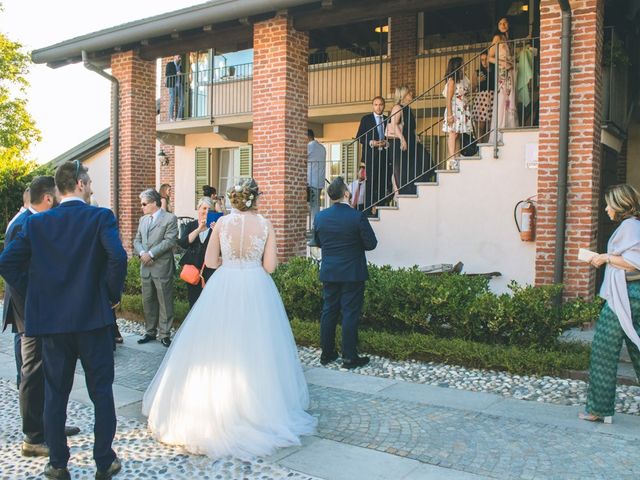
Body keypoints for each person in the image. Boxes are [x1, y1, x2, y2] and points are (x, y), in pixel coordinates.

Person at [142, 178, 317, 457]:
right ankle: (256, 407)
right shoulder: (265, 224)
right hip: (256, 285)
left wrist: (228, 263)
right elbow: (270, 267)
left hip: (224, 284)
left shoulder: (221, 224)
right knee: (256, 344)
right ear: (255, 198)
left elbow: (210, 262)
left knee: (217, 342)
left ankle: (214, 406)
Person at [0, 161, 128, 480]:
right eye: (90, 181)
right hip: (94, 320)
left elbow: (7, 262)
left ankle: (58, 464)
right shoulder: (100, 217)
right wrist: (110, 296)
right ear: (80, 185)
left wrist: (38, 296)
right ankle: (104, 461)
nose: (93, 186)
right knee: (101, 393)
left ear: (58, 189)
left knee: (55, 394)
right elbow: (117, 257)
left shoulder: (39, 223)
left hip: (53, 324)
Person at [1, 176, 81, 459]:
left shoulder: (29, 219)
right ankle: (34, 437)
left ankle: (51, 426)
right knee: (33, 374)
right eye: (59, 195)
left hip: (33, 310)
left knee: (45, 371)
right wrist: (36, 294)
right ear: (49, 198)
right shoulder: (26, 223)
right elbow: (9, 266)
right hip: (30, 313)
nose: (61, 200)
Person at [580, 184, 640, 424]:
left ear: (620, 205)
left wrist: (604, 257)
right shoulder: (633, 226)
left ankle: (599, 409)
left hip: (624, 296)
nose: (606, 208)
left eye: (609, 204)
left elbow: (635, 261)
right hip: (632, 294)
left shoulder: (629, 226)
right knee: (636, 348)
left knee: (604, 350)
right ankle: (599, 408)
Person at [313, 177, 378, 368]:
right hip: (352, 272)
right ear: (346, 194)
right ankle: (349, 357)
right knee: (350, 313)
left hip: (330, 271)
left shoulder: (320, 217)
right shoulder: (356, 216)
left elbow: (318, 242)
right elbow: (371, 244)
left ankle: (327, 354)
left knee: (329, 311)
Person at [134, 189, 178, 348]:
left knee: (164, 301)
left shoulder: (170, 218)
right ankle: (150, 331)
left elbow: (170, 241)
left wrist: (151, 254)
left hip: (161, 266)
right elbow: (137, 240)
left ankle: (165, 334)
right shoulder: (143, 220)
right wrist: (142, 253)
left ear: (154, 203)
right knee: (148, 300)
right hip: (145, 266)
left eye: (144, 204)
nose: (142, 207)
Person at [4, 186, 30, 388]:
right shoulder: (23, 222)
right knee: (23, 336)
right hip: (20, 291)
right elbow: (10, 262)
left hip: (16, 289)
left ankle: (22, 376)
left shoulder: (18, 219)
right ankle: (23, 378)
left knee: (20, 334)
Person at [387, 86, 431, 195]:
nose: (411, 94)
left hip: (411, 141)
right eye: (409, 93)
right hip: (400, 143)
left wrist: (415, 136)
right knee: (403, 169)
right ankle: (405, 192)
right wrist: (402, 139)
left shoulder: (408, 109)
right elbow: (394, 124)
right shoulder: (397, 108)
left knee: (424, 162)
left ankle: (414, 189)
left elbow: (411, 127)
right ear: (403, 95)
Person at [178, 197, 217, 307]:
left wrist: (215, 231)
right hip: (193, 270)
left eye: (210, 209)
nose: (206, 211)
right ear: (198, 209)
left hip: (210, 271)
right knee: (193, 301)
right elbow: (183, 243)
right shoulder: (192, 225)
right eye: (204, 208)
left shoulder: (215, 226)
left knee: (210, 302)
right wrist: (199, 229)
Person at [356, 96, 391, 211]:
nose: (378, 107)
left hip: (384, 156)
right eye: (376, 104)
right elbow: (360, 137)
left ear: (384, 105)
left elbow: (391, 137)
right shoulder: (366, 119)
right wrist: (372, 142)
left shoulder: (388, 119)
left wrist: (386, 143)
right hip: (371, 157)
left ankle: (381, 208)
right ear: (373, 106)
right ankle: (368, 209)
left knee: (383, 182)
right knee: (371, 183)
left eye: (380, 104)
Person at [488, 17, 518, 141]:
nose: (503, 25)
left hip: (510, 71)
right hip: (502, 72)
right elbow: (490, 57)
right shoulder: (497, 38)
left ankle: (510, 128)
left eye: (505, 22)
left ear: (509, 24)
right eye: (500, 23)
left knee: (510, 100)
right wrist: (501, 63)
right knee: (502, 100)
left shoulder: (509, 40)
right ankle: (499, 131)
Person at [442, 57, 473, 169]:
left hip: (462, 107)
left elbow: (469, 90)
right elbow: (448, 99)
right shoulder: (452, 80)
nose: (465, 66)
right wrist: (450, 115)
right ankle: (452, 158)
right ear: (458, 67)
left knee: (458, 134)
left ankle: (457, 155)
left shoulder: (464, 79)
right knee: (453, 133)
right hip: (454, 108)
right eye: (463, 64)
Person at [471, 52, 495, 141]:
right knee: (480, 125)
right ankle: (479, 146)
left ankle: (490, 144)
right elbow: (472, 88)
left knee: (491, 124)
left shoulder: (495, 71)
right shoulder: (477, 72)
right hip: (482, 98)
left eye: (486, 59)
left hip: (493, 97)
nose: (484, 62)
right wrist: (477, 81)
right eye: (482, 60)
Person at [307, 129, 326, 226]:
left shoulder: (309, 146)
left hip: (310, 181)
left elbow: (298, 157)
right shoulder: (322, 147)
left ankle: (314, 229)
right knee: (316, 207)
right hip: (319, 181)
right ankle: (316, 228)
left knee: (312, 207)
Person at [165, 54, 184, 121]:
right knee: (172, 101)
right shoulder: (170, 64)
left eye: (180, 57)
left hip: (179, 85)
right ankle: (171, 118)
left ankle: (178, 117)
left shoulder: (180, 66)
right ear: (175, 57)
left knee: (182, 101)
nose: (179, 58)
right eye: (178, 57)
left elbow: (182, 75)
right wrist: (176, 73)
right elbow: (167, 74)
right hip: (172, 85)